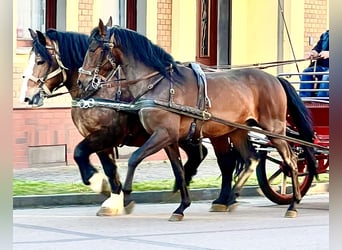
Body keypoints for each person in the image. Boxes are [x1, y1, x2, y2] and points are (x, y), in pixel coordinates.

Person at [299, 30, 329, 98]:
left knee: (326, 76)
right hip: (322, 67)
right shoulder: (326, 35)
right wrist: (312, 53)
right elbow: (317, 49)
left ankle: (322, 101)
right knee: (306, 72)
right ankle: (304, 99)